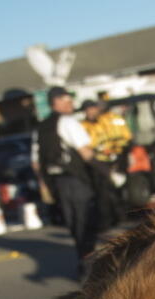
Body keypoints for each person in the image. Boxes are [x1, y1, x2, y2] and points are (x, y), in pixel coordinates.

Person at [35, 86, 99, 268]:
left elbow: (37, 163)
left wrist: (46, 186)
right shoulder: (68, 122)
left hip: (58, 184)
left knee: (74, 224)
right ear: (56, 102)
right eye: (67, 100)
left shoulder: (41, 127)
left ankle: (83, 259)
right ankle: (89, 264)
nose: (71, 103)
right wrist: (109, 173)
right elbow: (86, 153)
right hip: (77, 180)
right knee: (86, 220)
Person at [80, 98, 131, 228]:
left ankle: (122, 215)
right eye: (89, 110)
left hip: (113, 159)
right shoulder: (83, 126)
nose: (92, 112)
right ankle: (107, 220)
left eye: (94, 109)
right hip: (97, 163)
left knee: (118, 189)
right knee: (103, 193)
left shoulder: (105, 121)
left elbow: (118, 138)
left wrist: (118, 154)